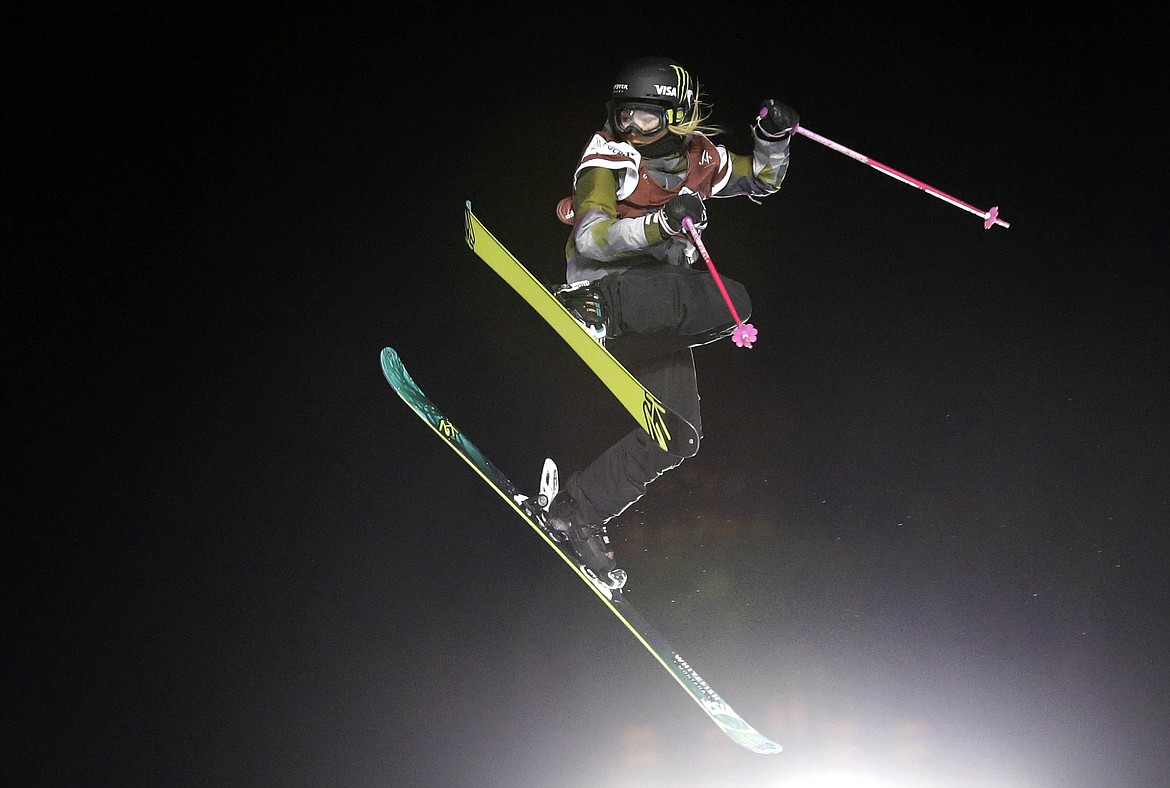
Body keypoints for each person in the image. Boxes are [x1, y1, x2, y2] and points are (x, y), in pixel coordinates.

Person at [545, 56, 797, 586]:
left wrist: (773, 138)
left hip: (652, 316)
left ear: (677, 115)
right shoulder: (608, 158)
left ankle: (578, 511)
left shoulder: (703, 158)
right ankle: (595, 312)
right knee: (734, 300)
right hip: (608, 292)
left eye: (644, 118)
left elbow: (766, 181)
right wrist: (660, 225)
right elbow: (592, 237)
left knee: (677, 434)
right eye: (623, 116)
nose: (630, 129)